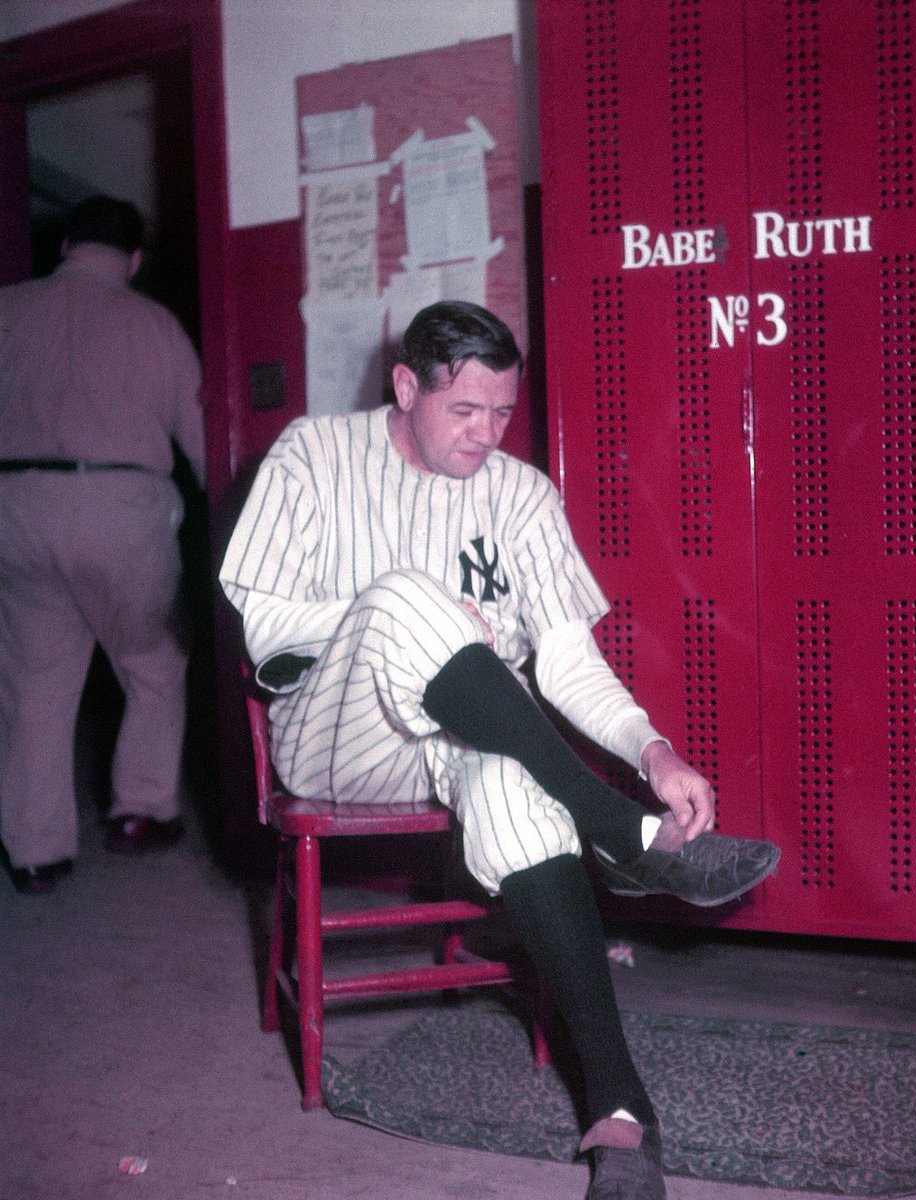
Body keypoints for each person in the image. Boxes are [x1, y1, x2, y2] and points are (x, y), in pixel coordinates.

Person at [219, 300, 779, 1200]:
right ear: (406, 388)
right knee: (410, 597)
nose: (486, 435)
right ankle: (612, 830)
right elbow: (271, 628)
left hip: (465, 733)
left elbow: (565, 660)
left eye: (502, 413)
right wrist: (423, 616)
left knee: (517, 786)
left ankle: (621, 1111)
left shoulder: (519, 494)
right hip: (337, 732)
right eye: (463, 411)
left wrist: (654, 752)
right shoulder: (313, 455)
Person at [0, 195, 204, 895]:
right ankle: (139, 813)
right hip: (121, 508)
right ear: (135, 259)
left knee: (33, 685)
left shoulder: (8, 309)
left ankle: (35, 852)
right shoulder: (155, 325)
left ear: (65, 247)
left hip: (16, 505)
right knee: (153, 663)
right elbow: (202, 446)